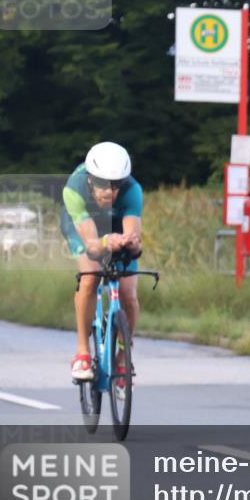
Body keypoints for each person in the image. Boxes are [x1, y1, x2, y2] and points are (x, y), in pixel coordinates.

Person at [61, 142, 143, 381]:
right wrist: (107, 241)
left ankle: (122, 354)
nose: (109, 191)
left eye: (116, 184)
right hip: (83, 228)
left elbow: (134, 240)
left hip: (114, 227)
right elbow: (93, 246)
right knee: (91, 277)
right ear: (89, 179)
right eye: (101, 184)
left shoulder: (132, 191)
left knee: (128, 294)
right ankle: (82, 353)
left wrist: (132, 243)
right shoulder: (74, 190)